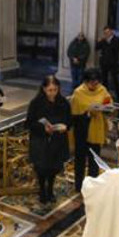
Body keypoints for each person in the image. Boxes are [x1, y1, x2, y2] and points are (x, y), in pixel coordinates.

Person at [26, 75, 72, 203]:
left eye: (55, 90)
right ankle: (42, 190)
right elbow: (29, 123)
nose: (53, 93)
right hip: (40, 141)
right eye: (50, 90)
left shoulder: (63, 102)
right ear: (44, 89)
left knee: (53, 168)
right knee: (41, 168)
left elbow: (69, 120)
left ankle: (50, 190)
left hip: (57, 141)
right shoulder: (36, 103)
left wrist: (65, 126)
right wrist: (43, 129)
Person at [70, 69, 113, 192]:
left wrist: (106, 108)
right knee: (80, 160)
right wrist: (87, 113)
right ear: (86, 81)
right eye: (92, 83)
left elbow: (109, 104)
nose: (94, 85)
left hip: (96, 130)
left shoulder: (102, 90)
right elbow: (74, 114)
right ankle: (79, 186)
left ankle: (92, 186)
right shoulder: (78, 93)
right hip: (82, 130)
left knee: (95, 160)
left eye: (96, 82)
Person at [95, 26, 119, 101]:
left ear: (111, 32)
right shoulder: (103, 40)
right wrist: (99, 41)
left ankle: (118, 96)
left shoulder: (117, 40)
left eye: (107, 32)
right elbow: (96, 48)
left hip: (113, 63)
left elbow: (115, 49)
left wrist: (107, 42)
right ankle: (105, 95)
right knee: (104, 80)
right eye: (105, 33)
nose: (106, 34)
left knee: (115, 80)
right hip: (104, 63)